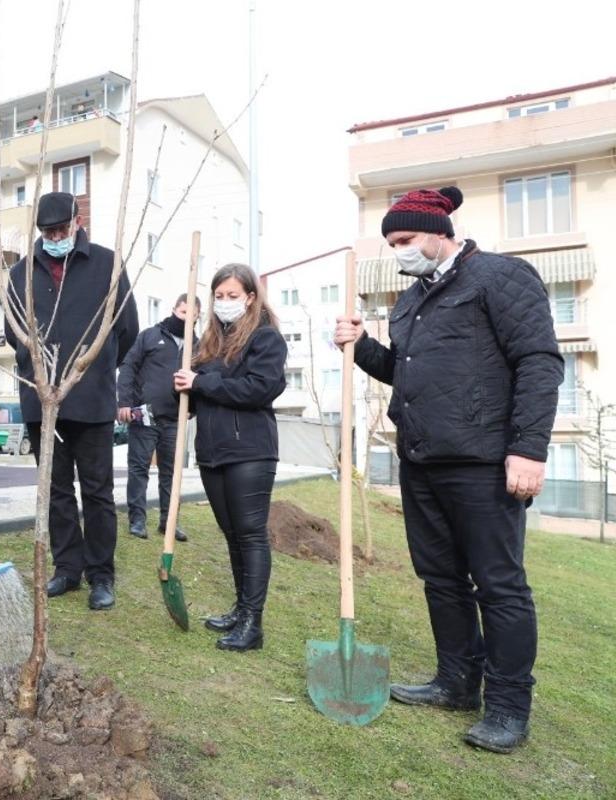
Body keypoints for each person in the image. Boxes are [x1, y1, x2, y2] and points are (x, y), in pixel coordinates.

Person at [334, 186, 563, 753]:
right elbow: (404, 373)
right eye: (391, 244)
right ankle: (456, 682)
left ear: (439, 231)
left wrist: (529, 448)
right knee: (440, 579)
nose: (399, 252)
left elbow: (538, 361)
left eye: (406, 240)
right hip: (422, 459)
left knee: (499, 585)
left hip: (484, 462)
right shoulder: (411, 301)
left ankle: (508, 707)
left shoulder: (501, 278)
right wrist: (362, 346)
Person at [5, 191, 138, 611]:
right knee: (56, 490)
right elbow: (14, 330)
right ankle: (67, 568)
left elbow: (126, 327)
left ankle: (102, 574)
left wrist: (94, 369)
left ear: (78, 222)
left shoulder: (106, 264)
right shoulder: (21, 273)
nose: (56, 237)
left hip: (92, 399)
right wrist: (37, 368)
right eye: (48, 232)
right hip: (41, 401)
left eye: (62, 229)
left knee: (97, 492)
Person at [174, 264, 286, 652]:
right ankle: (241, 610)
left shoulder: (266, 339)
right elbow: (194, 399)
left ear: (251, 297)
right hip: (213, 450)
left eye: (233, 296)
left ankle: (253, 625)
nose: (224, 303)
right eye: (219, 296)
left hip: (250, 451)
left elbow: (260, 388)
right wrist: (183, 387)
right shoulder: (207, 344)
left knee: (251, 535)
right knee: (233, 535)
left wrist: (203, 382)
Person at [118, 293, 200, 542]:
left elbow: (202, 380)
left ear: (197, 318)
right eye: (183, 312)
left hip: (175, 419)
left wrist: (193, 408)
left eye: (192, 316)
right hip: (145, 415)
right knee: (139, 468)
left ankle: (168, 522)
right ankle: (137, 520)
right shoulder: (151, 336)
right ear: (175, 309)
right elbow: (128, 367)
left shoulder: (198, 347)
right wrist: (124, 403)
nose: (186, 318)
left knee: (171, 473)